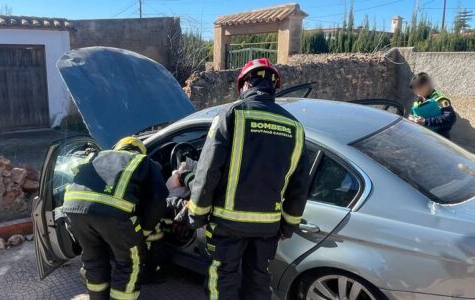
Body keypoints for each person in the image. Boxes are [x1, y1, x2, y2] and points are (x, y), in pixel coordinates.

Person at [188, 58, 309, 300]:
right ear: (273, 86)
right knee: (258, 280)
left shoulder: (232, 114)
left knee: (222, 279)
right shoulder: (295, 127)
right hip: (268, 227)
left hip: (227, 223)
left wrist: (197, 213)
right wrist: (289, 224)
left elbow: (208, 169)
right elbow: (299, 184)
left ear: (243, 85)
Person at [62, 136, 168, 300]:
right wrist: (145, 229)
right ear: (141, 150)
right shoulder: (143, 161)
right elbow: (158, 200)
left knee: (93, 260)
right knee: (129, 263)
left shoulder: (97, 155)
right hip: (112, 215)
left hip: (73, 209)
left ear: (118, 147)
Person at [408, 72, 457, 138]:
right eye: (414, 89)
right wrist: (412, 118)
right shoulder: (420, 99)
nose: (416, 91)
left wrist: (425, 121)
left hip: (439, 138)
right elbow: (414, 114)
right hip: (424, 136)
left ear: (427, 85)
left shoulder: (439, 99)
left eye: (419, 87)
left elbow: (450, 118)